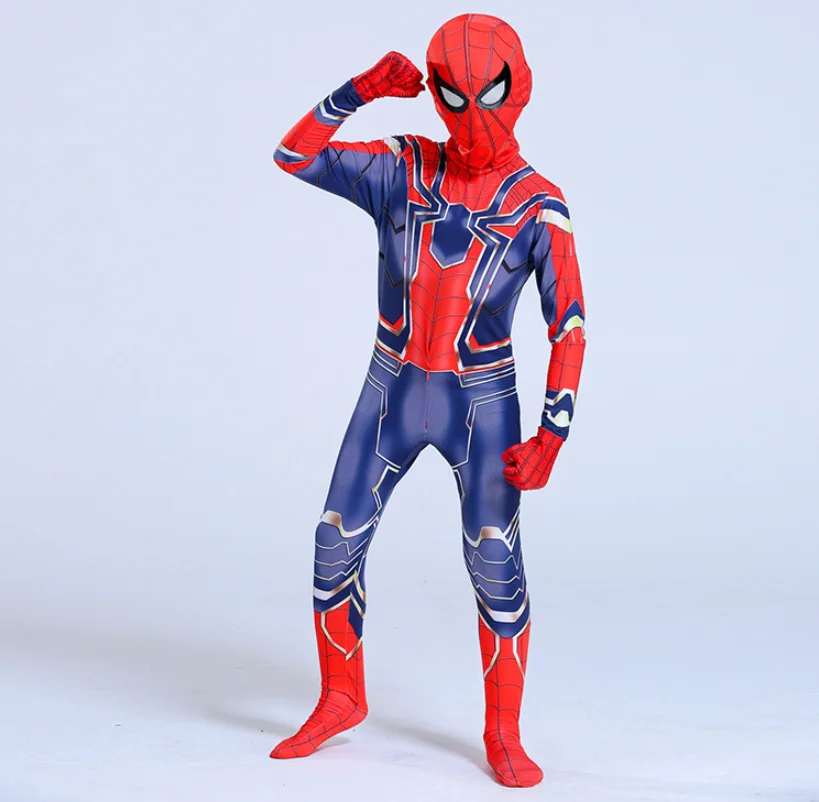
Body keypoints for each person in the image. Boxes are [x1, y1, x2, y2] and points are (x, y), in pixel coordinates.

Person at [269, 13, 586, 788]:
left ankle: (502, 730)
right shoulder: (403, 167)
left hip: (482, 401)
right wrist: (360, 90)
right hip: (392, 385)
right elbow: (293, 155)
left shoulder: (537, 205)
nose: (472, 116)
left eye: (490, 94)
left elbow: (569, 324)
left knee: (493, 555)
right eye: (452, 94)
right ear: (433, 93)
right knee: (334, 539)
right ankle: (341, 697)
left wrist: (553, 433)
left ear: (521, 88)